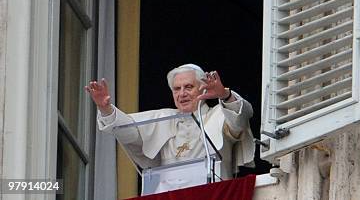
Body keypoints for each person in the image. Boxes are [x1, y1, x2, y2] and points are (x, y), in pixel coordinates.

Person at [85, 63, 255, 183]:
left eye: (188, 87)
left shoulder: (218, 114)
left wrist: (225, 95)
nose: (182, 93)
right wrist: (106, 108)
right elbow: (129, 132)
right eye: (176, 89)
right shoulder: (161, 118)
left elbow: (240, 118)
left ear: (203, 88)